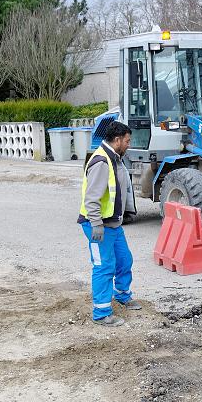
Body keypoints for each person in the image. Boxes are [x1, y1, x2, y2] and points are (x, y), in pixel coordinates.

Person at [77, 121, 142, 327]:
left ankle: (122, 295)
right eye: (127, 141)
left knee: (124, 260)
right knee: (104, 266)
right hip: (98, 225)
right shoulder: (102, 162)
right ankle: (102, 312)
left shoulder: (115, 158)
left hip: (113, 224)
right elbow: (91, 198)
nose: (129, 144)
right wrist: (96, 223)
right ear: (117, 140)